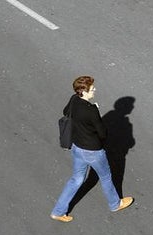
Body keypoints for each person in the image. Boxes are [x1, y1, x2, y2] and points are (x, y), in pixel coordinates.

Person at [50, 76, 134, 222]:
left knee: (76, 179)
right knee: (106, 177)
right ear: (84, 91)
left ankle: (58, 211)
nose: (94, 90)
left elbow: (65, 111)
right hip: (93, 151)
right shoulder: (91, 110)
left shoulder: (74, 99)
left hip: (77, 148)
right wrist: (96, 115)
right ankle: (115, 204)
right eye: (92, 89)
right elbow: (102, 133)